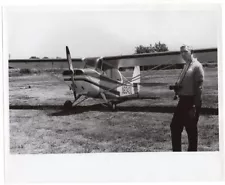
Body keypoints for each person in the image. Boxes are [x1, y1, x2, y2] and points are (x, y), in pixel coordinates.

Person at [170, 45, 204, 151]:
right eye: (181, 52)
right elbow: (184, 82)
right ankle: (177, 152)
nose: (182, 54)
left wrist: (195, 105)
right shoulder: (186, 65)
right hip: (182, 100)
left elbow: (199, 86)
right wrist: (177, 87)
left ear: (191, 52)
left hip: (191, 101)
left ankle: (192, 153)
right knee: (175, 127)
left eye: (185, 51)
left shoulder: (197, 66)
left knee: (191, 129)